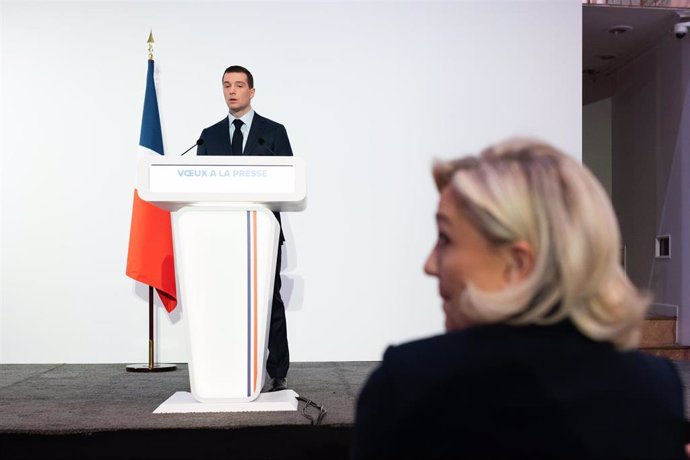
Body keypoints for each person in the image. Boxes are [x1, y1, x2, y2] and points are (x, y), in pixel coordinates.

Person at [351, 138, 686, 459]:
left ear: (518, 264)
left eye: (445, 238)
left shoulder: (409, 386)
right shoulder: (655, 386)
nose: (429, 265)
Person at [197, 65, 291, 392]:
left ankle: (277, 370)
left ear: (252, 91)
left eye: (239, 85)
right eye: (226, 85)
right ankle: (225, 365)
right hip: (221, 234)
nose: (232, 91)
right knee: (223, 299)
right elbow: (200, 188)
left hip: (262, 231)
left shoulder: (274, 132)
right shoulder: (209, 136)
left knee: (270, 299)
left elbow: (288, 182)